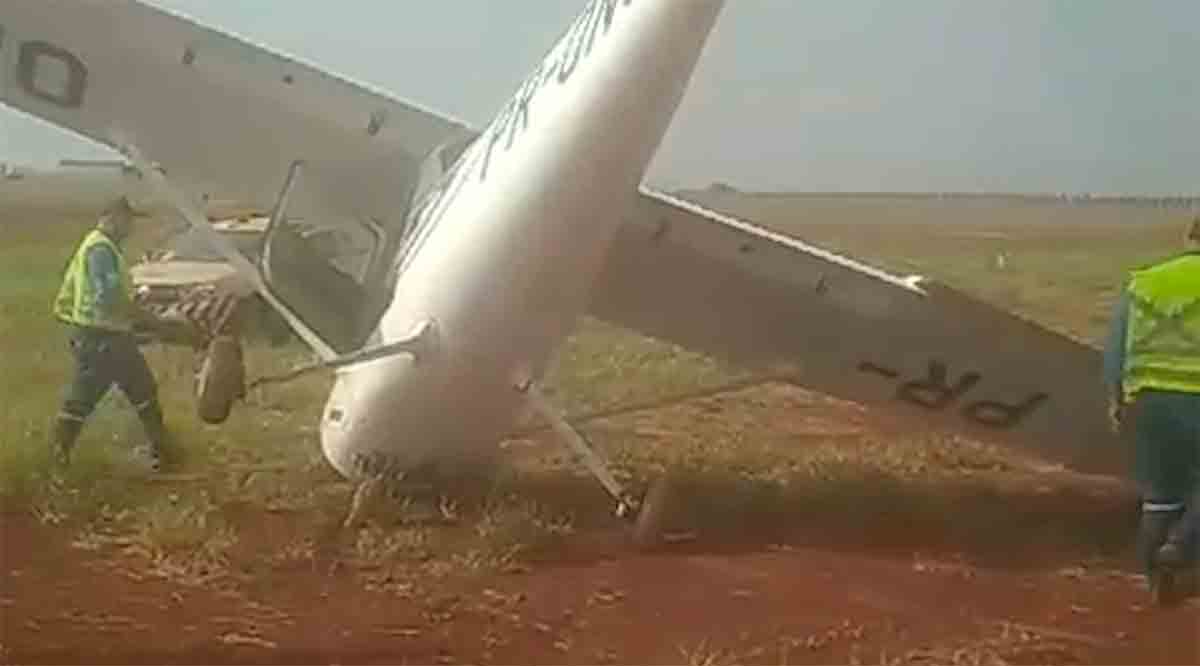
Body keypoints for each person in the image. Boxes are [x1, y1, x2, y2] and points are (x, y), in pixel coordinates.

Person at [1104, 216, 1200, 604]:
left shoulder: (1144, 281)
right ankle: (1179, 545)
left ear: (1189, 236)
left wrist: (1115, 398)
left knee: (1160, 492)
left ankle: (1156, 584)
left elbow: (1115, 347)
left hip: (1144, 400)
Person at [50, 197, 171, 471]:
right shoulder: (100, 250)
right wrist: (148, 319)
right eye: (128, 221)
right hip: (102, 337)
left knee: (126, 392)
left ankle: (163, 451)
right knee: (99, 395)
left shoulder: (100, 246)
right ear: (113, 217)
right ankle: (58, 456)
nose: (131, 228)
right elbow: (108, 297)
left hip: (103, 334)